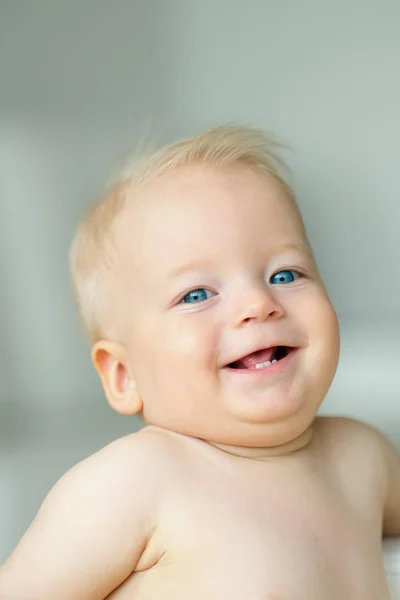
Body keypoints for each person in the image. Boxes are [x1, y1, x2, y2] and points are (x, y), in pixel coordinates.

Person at [1, 125, 399, 599]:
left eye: (285, 273)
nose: (258, 302)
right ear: (124, 376)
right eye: (197, 294)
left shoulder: (363, 456)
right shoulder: (136, 480)